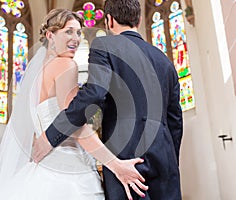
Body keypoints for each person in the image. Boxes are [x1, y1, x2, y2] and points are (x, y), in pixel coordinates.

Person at [0, 8, 148, 200]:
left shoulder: (36, 74)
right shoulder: (65, 65)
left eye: (78, 32)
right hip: (70, 174)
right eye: (68, 31)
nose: (76, 38)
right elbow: (75, 125)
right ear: (50, 35)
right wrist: (116, 166)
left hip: (42, 169)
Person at [33, 1, 183, 200]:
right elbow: (175, 121)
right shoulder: (164, 60)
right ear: (139, 19)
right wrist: (170, 162)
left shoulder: (104, 46)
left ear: (109, 21)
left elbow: (94, 94)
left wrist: (51, 135)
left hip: (123, 153)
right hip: (165, 160)